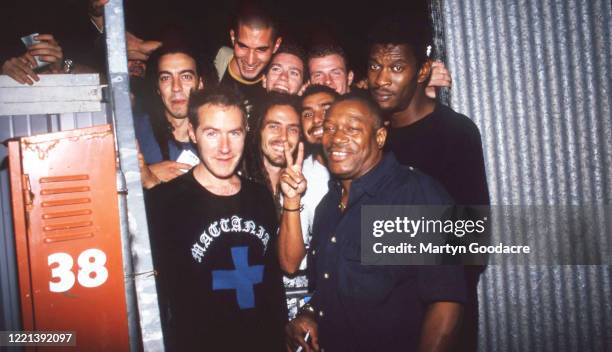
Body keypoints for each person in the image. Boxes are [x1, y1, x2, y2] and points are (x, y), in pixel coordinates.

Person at [285, 92, 466, 352]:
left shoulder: (418, 195)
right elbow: (329, 287)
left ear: (380, 137)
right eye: (330, 128)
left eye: (353, 128)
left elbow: (447, 302)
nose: (337, 138)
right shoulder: (328, 206)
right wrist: (310, 313)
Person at [367, 17, 489, 352]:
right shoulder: (371, 136)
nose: (381, 79)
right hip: (379, 319)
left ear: (421, 72)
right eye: (375, 65)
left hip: (439, 320)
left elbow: (471, 245)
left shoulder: (455, 134)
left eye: (396, 67)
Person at [145, 87, 287, 351]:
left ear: (246, 134)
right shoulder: (164, 202)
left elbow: (272, 283)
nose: (225, 148)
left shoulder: (260, 196)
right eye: (212, 133)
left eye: (234, 133)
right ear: (192, 133)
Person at [277, 85, 338, 319]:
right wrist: (292, 197)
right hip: (314, 299)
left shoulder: (395, 178)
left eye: (327, 109)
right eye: (308, 113)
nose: (318, 120)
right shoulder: (298, 175)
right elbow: (290, 264)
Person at [136, 46, 204, 188]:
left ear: (200, 84)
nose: (176, 87)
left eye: (186, 77)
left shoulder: (218, 134)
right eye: (166, 78)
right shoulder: (134, 131)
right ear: (158, 88)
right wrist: (141, 174)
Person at [215, 4, 282, 116]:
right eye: (243, 46)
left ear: (276, 45)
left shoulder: (279, 83)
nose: (250, 60)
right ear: (233, 38)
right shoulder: (212, 63)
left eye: (261, 49)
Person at [242, 92, 301, 207]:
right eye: (274, 127)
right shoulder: (239, 180)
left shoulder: (305, 183)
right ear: (259, 130)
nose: (284, 137)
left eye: (292, 129)